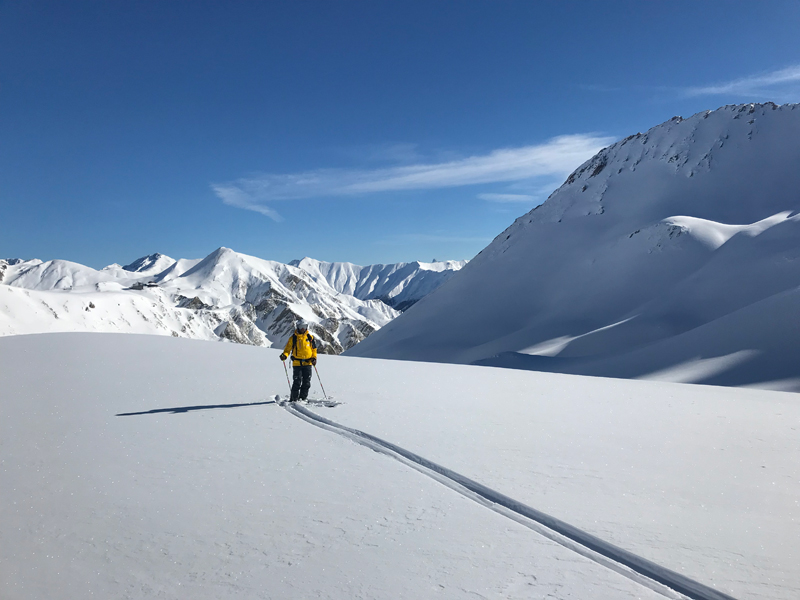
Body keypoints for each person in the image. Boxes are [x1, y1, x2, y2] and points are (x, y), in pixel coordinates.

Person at [279, 320, 317, 402]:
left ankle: (303, 398)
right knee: (297, 381)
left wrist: (314, 358)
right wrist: (284, 355)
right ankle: (294, 399)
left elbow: (314, 349)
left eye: (304, 326)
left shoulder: (310, 337)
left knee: (307, 382)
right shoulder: (293, 338)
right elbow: (287, 349)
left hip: (308, 363)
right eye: (300, 326)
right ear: (297, 327)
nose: (302, 328)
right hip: (297, 363)